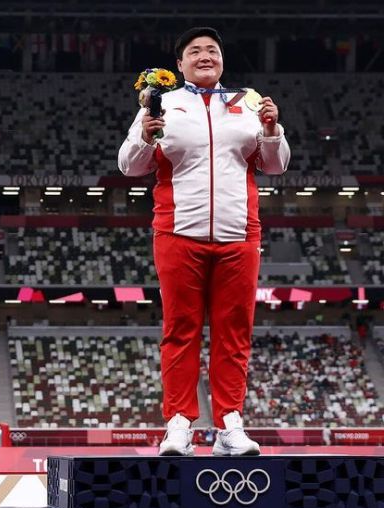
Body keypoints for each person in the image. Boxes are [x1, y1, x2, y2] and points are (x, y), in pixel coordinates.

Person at [118, 27, 290, 457]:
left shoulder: (249, 103)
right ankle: (179, 424)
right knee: (180, 330)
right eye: (194, 51)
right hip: (178, 232)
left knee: (235, 333)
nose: (204, 56)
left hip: (239, 234)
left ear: (222, 60)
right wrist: (144, 135)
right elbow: (129, 167)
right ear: (179, 65)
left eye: (212, 50)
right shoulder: (161, 104)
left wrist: (272, 130)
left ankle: (230, 424)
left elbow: (275, 166)